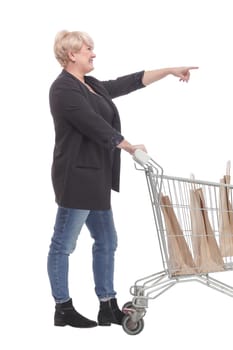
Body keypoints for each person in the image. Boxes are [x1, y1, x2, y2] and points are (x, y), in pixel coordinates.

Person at [47, 29, 198, 329]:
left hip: (97, 178)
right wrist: (128, 146)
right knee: (63, 245)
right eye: (89, 48)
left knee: (106, 241)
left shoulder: (89, 85)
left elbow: (126, 83)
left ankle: (108, 305)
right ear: (72, 54)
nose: (94, 53)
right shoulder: (63, 89)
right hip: (76, 179)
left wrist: (168, 71)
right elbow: (91, 125)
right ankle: (63, 308)